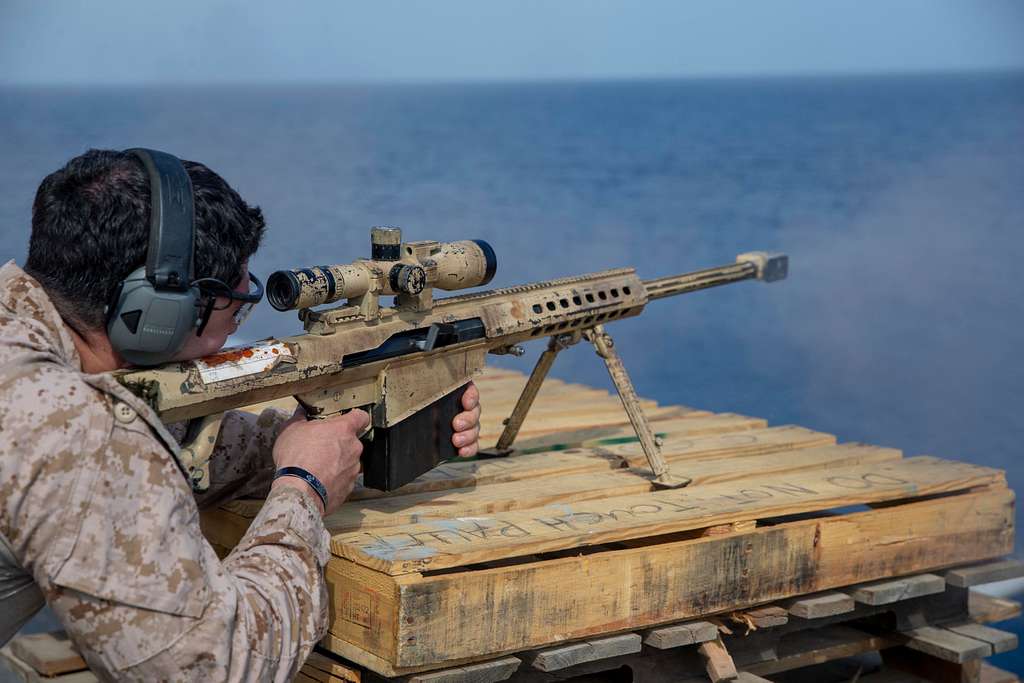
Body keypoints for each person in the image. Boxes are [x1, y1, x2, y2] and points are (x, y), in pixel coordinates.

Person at [0, 149, 482, 681]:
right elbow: (212, 666)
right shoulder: (78, 429)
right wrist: (303, 490)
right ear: (158, 312)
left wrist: (347, 428)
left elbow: (160, 444)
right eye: (237, 301)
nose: (237, 326)